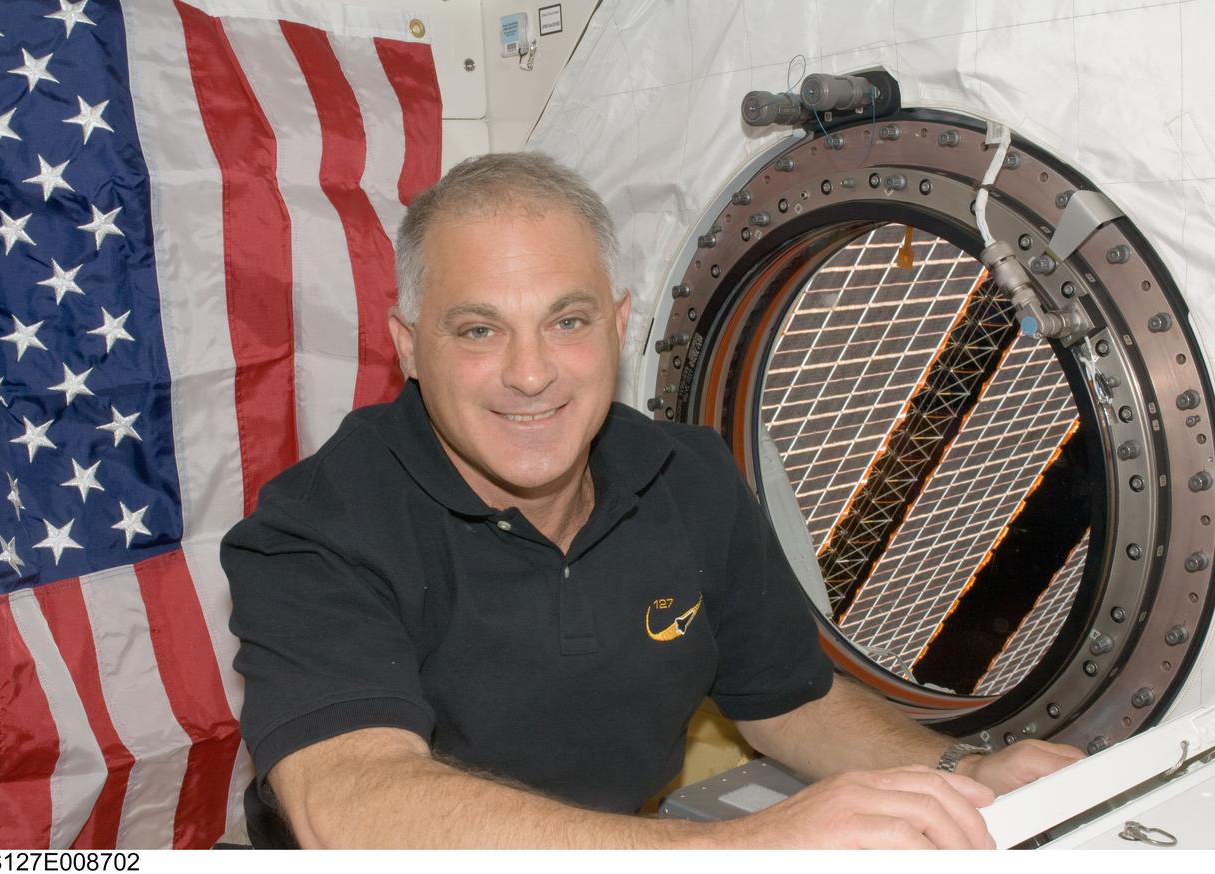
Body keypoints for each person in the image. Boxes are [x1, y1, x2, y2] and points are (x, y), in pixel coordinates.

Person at [220, 152, 1084, 849]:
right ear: (410, 347)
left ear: (620, 323)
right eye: (479, 330)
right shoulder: (314, 528)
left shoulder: (689, 478)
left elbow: (794, 700)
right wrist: (746, 849)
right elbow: (353, 804)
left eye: (568, 320)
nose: (531, 373)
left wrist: (958, 776)